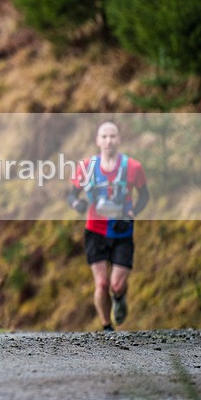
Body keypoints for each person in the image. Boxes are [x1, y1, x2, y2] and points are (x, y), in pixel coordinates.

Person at [68, 121, 149, 332]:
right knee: (102, 284)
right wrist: (77, 204)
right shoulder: (86, 167)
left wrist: (132, 214)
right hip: (95, 231)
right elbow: (71, 194)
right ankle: (107, 327)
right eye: (104, 136)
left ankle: (120, 298)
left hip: (122, 231)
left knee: (116, 285)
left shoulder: (133, 167)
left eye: (112, 136)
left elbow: (144, 195)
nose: (108, 141)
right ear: (97, 141)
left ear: (119, 139)